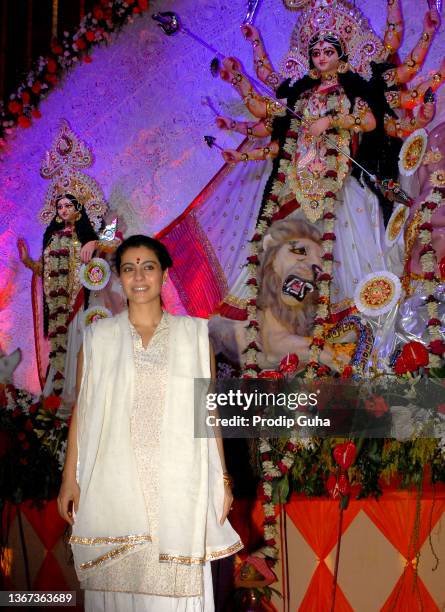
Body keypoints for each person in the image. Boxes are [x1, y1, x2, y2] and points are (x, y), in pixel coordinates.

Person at [57, 234, 242, 612]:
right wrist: (69, 478)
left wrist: (222, 479)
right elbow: (84, 412)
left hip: (177, 483)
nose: (138, 276)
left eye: (148, 266)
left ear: (164, 273)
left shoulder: (193, 335)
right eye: (128, 268)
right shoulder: (98, 338)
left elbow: (207, 412)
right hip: (113, 483)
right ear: (119, 278)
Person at [17, 121, 121, 407]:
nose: (63, 210)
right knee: (62, 350)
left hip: (84, 298)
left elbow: (112, 236)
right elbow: (45, 271)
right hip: (59, 305)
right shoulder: (51, 236)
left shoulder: (88, 231)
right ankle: (65, 401)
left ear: (79, 207)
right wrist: (28, 261)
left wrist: (96, 242)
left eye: (68, 205)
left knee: (83, 344)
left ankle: (87, 398)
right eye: (60, 206)